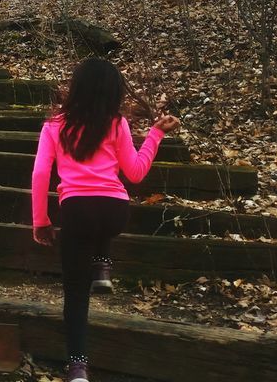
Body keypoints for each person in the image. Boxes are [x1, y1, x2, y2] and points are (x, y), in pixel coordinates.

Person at [30, 57, 181, 382]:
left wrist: (40, 219)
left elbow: (41, 172)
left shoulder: (54, 126)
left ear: (75, 88)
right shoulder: (117, 124)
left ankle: (78, 366)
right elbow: (135, 173)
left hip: (77, 212)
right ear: (113, 93)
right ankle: (102, 264)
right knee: (101, 215)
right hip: (116, 212)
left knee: (75, 292)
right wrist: (155, 133)